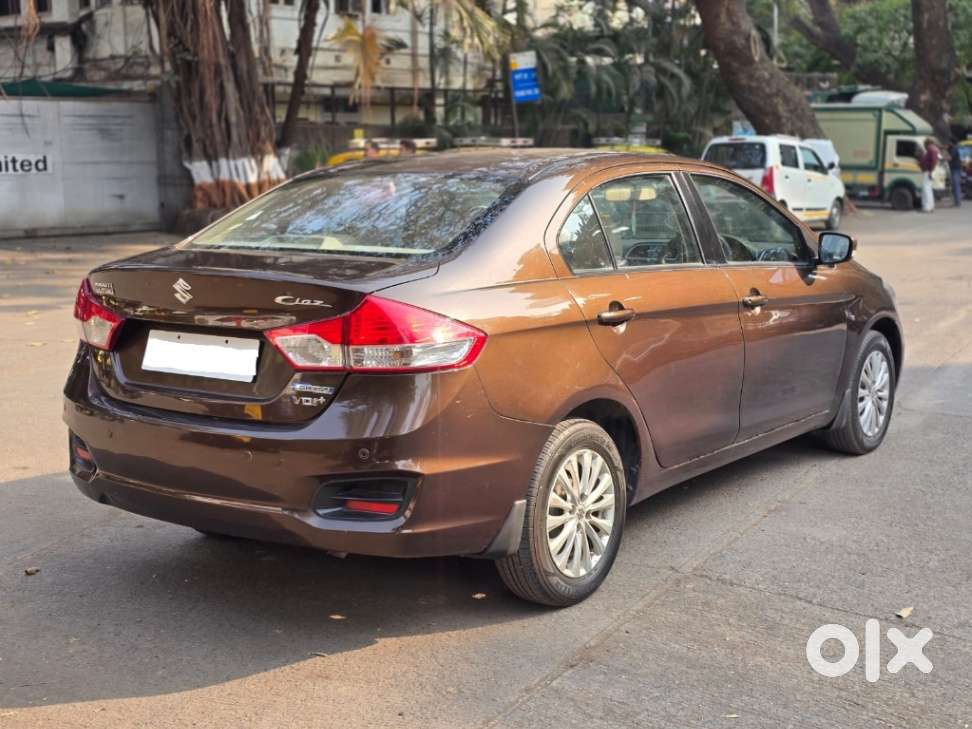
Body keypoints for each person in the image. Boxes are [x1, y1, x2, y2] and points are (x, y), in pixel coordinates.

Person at [920, 138, 940, 212]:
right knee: (929, 189)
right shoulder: (934, 149)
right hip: (930, 170)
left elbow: (933, 161)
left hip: (928, 171)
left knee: (926, 189)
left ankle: (927, 207)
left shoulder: (930, 149)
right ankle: (930, 206)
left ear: (927, 143)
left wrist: (931, 171)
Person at [947, 142, 963, 207]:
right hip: (954, 168)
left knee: (956, 185)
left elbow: (950, 158)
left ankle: (957, 202)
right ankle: (956, 201)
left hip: (955, 169)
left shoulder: (954, 149)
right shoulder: (952, 149)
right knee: (954, 185)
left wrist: (944, 158)